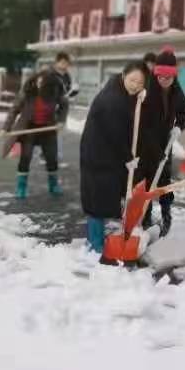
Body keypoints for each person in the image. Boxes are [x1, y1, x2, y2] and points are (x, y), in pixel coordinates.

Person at [80, 61, 150, 252]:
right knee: (98, 200)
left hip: (105, 154)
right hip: (99, 155)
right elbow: (116, 134)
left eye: (140, 82)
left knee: (101, 197)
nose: (135, 85)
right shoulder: (113, 100)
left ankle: (96, 241)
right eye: (132, 80)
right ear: (123, 75)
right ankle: (96, 244)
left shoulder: (120, 91)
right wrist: (128, 158)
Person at [136, 46, 185, 236]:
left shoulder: (176, 88)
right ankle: (145, 218)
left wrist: (179, 126)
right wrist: (157, 152)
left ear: (174, 76)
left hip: (165, 142)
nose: (164, 81)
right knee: (146, 183)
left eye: (168, 77)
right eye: (160, 77)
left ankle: (167, 215)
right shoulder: (148, 89)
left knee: (164, 183)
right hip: (146, 146)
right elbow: (144, 126)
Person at [3, 69, 68, 199]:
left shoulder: (53, 91)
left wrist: (61, 120)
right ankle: (21, 187)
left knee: (51, 157)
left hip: (47, 128)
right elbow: (14, 109)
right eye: (39, 81)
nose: (39, 84)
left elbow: (64, 105)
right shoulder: (28, 91)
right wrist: (6, 127)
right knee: (26, 157)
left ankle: (53, 185)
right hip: (29, 128)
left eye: (43, 83)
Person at [49, 52, 75, 164]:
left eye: (67, 63)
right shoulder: (50, 75)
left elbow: (66, 93)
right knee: (51, 133)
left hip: (61, 108)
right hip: (49, 108)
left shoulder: (67, 76)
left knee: (56, 132)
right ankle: (54, 157)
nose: (65, 65)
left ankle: (52, 156)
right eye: (63, 63)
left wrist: (72, 94)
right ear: (57, 62)